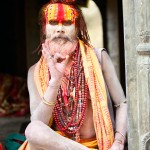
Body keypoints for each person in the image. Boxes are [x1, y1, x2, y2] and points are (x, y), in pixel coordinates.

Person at [19, 0, 127, 149]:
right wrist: (55, 81)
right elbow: (38, 123)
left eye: (67, 23)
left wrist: (119, 142)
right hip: (57, 147)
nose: (60, 29)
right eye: (53, 22)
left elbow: (122, 103)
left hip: (96, 144)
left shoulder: (99, 58)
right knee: (33, 130)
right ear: (44, 28)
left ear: (77, 28)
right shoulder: (35, 72)